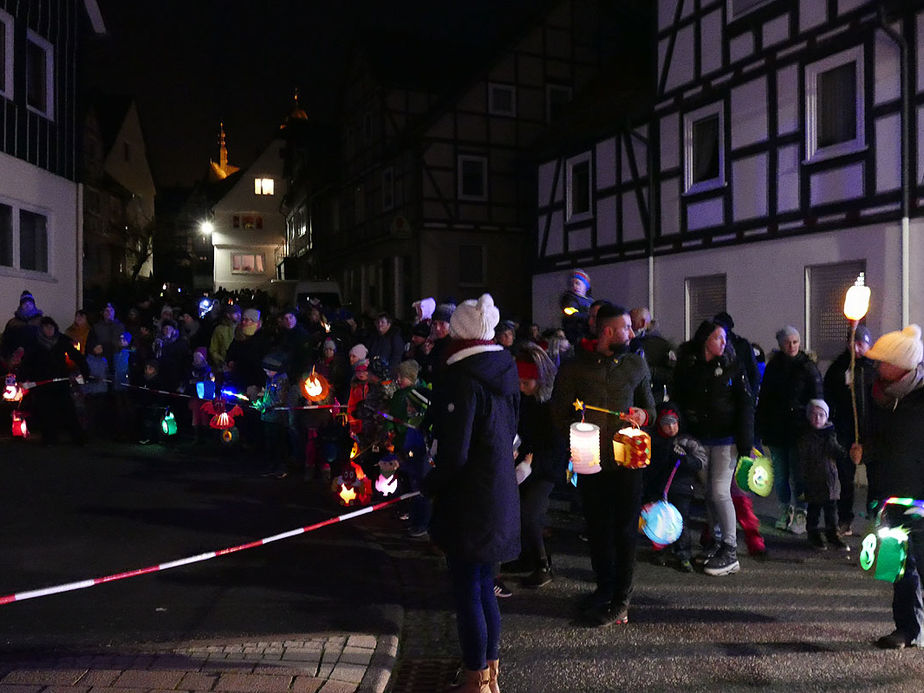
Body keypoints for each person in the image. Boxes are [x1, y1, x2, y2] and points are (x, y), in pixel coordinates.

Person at [423, 293, 520, 693]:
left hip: (469, 501)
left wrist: (430, 485)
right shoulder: (504, 370)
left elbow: (455, 452)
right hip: (498, 492)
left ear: (460, 332)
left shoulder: (463, 379)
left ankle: (474, 678)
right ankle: (490, 675)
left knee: (468, 591)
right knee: (484, 586)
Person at [551, 303, 655, 626]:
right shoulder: (574, 368)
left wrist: (643, 416)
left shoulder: (636, 365)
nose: (633, 333)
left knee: (625, 530)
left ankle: (621, 599)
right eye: (626, 327)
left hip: (627, 460)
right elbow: (558, 413)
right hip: (590, 456)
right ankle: (604, 588)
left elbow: (648, 407)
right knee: (596, 527)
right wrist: (578, 424)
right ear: (608, 331)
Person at [852, 324, 923, 649]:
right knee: (897, 565)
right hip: (890, 493)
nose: (878, 365)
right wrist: (865, 451)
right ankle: (906, 629)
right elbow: (883, 441)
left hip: (921, 497)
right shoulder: (881, 395)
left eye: (884, 360)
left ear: (901, 364)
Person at [671, 319, 754, 576]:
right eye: (718, 337)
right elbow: (679, 398)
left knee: (720, 492)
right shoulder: (691, 366)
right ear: (705, 339)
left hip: (726, 439)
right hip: (700, 438)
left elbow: (745, 405)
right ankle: (716, 541)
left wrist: (746, 443)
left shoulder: (732, 366)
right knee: (709, 492)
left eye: (724, 338)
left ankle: (730, 549)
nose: (723, 342)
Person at [505, 343, 567, 588]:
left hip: (545, 467)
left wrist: (532, 461)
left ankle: (543, 564)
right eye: (518, 382)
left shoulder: (551, 406)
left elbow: (555, 443)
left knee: (531, 514)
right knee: (518, 511)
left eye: (526, 383)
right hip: (524, 462)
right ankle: (526, 557)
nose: (521, 387)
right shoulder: (522, 400)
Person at [756, 325, 823, 535]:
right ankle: (785, 510)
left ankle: (800, 512)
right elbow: (765, 398)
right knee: (781, 473)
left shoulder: (807, 367)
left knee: (798, 474)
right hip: (777, 428)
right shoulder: (774, 366)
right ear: (780, 344)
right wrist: (761, 426)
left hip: (799, 429)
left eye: (795, 341)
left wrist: (816, 423)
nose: (792, 346)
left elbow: (818, 397)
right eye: (788, 342)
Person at [823, 324, 875, 535]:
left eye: (861, 343)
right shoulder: (839, 366)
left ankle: (874, 518)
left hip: (870, 431)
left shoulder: (874, 367)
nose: (856, 347)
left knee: (875, 478)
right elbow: (829, 394)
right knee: (845, 477)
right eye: (853, 342)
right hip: (845, 430)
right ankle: (845, 518)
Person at [642, 403, 706, 572]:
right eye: (666, 423)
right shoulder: (654, 441)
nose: (670, 427)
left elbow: (700, 462)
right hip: (658, 488)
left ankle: (683, 554)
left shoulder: (687, 441)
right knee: (658, 521)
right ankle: (660, 549)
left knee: (681, 521)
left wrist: (685, 459)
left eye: (673, 423)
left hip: (681, 489)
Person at [22, 316, 88, 445]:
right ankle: (49, 438)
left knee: (68, 410)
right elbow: (27, 363)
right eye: (46, 328)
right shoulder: (35, 343)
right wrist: (22, 379)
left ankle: (78, 438)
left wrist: (85, 371)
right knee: (46, 412)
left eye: (51, 327)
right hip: (43, 383)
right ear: (41, 329)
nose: (49, 330)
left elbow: (77, 356)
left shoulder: (62, 341)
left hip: (60, 382)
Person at [797, 399, 848, 551]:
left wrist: (834, 444)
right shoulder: (806, 437)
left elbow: (840, 454)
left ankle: (832, 534)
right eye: (814, 415)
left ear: (826, 417)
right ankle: (813, 533)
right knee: (814, 510)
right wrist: (802, 482)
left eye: (821, 415)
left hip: (830, 481)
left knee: (831, 511)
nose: (817, 418)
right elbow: (802, 461)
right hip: (813, 481)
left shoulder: (830, 436)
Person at [630, 307, 676, 401]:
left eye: (632, 323)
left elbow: (672, 374)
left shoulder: (662, 346)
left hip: (654, 397)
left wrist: (650, 371)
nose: (629, 328)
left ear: (642, 323)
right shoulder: (630, 343)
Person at [560, 269, 593, 345]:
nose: (574, 286)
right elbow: (571, 312)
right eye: (571, 284)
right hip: (575, 330)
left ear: (585, 286)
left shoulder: (590, 301)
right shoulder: (569, 299)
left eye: (577, 283)